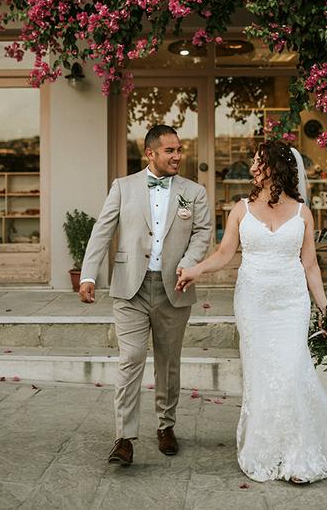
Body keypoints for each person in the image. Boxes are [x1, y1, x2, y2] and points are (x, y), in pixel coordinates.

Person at [176, 140, 327, 484]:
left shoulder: (303, 212)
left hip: (291, 303)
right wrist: (195, 270)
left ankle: (298, 454)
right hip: (254, 303)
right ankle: (266, 449)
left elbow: (311, 265)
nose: (254, 167)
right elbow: (225, 253)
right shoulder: (241, 209)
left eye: (260, 162)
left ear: (277, 167)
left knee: (290, 371)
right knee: (262, 376)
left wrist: (325, 308)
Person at [79, 124, 212, 465]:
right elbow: (102, 230)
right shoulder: (123, 187)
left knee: (168, 364)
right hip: (130, 288)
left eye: (179, 149)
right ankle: (124, 437)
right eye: (170, 150)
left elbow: (202, 233)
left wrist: (188, 263)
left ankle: (166, 426)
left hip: (175, 288)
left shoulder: (194, 192)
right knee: (132, 357)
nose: (177, 156)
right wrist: (89, 275)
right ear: (150, 153)